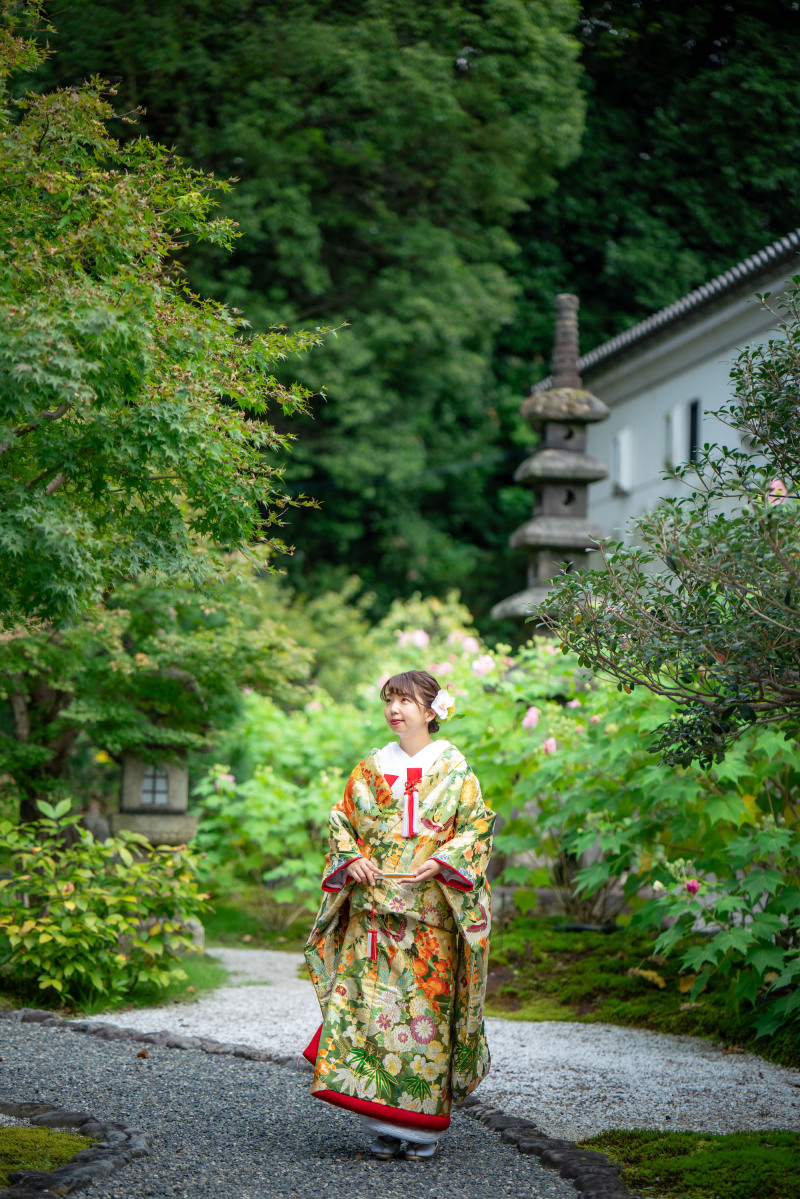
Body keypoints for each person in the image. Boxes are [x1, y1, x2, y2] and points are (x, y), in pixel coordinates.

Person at [303, 669, 495, 1161]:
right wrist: (352, 858)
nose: (395, 709)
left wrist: (445, 859)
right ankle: (384, 1124)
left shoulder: (453, 769)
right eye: (390, 699)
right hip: (373, 916)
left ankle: (422, 1127)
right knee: (373, 1014)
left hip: (429, 915)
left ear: (431, 711)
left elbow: (476, 826)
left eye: (406, 700)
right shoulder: (370, 768)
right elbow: (341, 820)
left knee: (421, 1020)